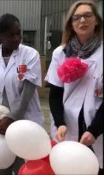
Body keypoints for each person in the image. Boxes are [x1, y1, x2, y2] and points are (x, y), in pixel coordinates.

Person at [0, 13, 44, 175]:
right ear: (0, 36)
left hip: (25, 120)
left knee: (25, 166)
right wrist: (0, 120)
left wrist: (10, 119)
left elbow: (27, 93)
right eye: (11, 34)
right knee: (2, 164)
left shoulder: (30, 55)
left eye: (18, 33)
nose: (16, 38)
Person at [45, 0, 103, 174]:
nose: (82, 21)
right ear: (71, 23)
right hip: (67, 125)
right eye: (76, 17)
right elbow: (55, 93)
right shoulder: (60, 53)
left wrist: (95, 130)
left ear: (97, 20)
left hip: (98, 127)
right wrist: (60, 122)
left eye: (87, 15)